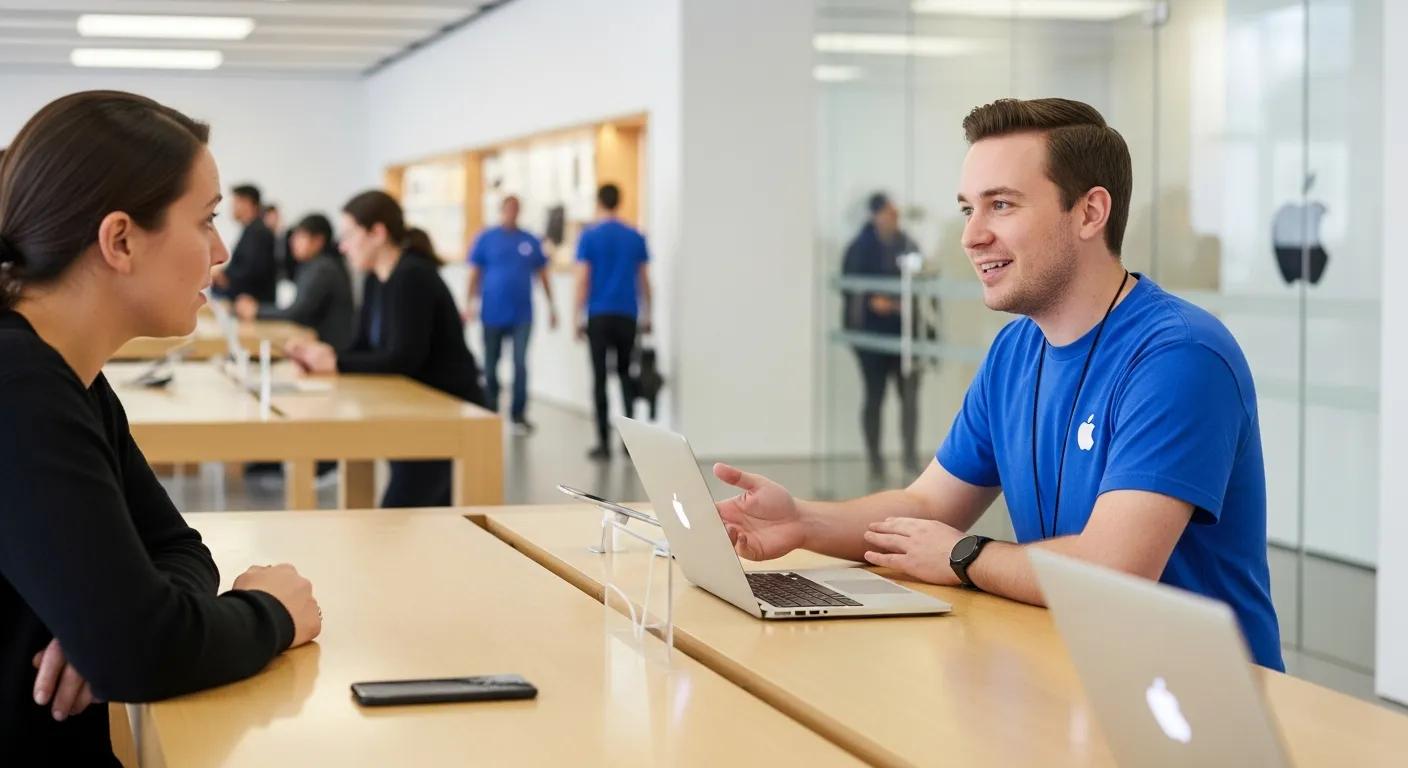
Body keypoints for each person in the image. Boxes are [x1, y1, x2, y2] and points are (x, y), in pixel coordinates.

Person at [712, 97, 1283, 671]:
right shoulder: (1015, 351)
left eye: (1001, 205)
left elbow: (1114, 569)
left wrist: (963, 555)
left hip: (1197, 696)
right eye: (968, 209)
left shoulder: (1180, 356)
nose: (971, 236)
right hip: (1077, 670)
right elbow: (927, 506)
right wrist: (802, 522)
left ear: (1090, 213)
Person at [0, 90, 322, 762]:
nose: (221, 251)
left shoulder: (72, 378)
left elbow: (177, 548)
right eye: (205, 221)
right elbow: (142, 651)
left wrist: (104, 625)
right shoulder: (20, 382)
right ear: (119, 240)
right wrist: (271, 612)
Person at [285, 191, 485, 508]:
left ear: (377, 233)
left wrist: (335, 362)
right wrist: (322, 356)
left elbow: (402, 359)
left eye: (349, 235)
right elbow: (362, 346)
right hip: (410, 410)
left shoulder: (413, 276)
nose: (343, 246)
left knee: (401, 516)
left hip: (447, 413)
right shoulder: (375, 280)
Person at [842, 191, 924, 481]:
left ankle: (910, 459)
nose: (894, 218)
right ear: (875, 215)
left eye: (895, 213)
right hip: (871, 338)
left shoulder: (906, 243)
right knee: (874, 396)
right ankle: (875, 462)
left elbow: (921, 278)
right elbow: (852, 290)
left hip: (905, 336)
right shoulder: (859, 248)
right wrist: (877, 301)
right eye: (888, 213)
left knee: (909, 398)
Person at [466, 195, 558, 435]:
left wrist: (552, 307)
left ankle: (518, 415)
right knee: (490, 365)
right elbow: (475, 273)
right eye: (508, 209)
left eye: (516, 209)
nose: (512, 213)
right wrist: (469, 303)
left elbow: (543, 274)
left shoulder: (530, 240)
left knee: (520, 364)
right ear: (502, 210)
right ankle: (490, 410)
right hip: (492, 313)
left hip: (521, 315)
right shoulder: (486, 238)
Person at [575, 183, 652, 460]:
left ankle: (603, 443)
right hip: (627, 314)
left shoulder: (589, 236)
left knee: (599, 378)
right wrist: (648, 314)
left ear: (598, 202)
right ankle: (629, 443)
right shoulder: (634, 236)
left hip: (598, 314)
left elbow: (583, 280)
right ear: (619, 201)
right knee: (625, 375)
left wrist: (577, 315)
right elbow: (644, 280)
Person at [235, 213, 354, 350]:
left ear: (318, 241)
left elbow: (296, 313)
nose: (293, 241)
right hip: (320, 344)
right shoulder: (314, 265)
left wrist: (256, 310)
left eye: (301, 236)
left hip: (330, 350)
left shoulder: (322, 269)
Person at [212, 184, 277, 303]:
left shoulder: (258, 232)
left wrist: (223, 276)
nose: (232, 208)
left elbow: (251, 271)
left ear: (247, 203)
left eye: (235, 203)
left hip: (252, 303)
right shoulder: (251, 230)